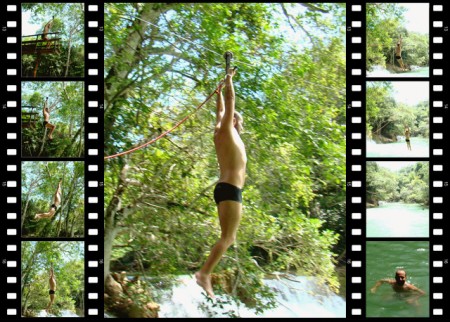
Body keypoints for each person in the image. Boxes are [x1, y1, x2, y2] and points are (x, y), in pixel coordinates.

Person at [195, 68, 246, 298]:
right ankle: (204, 274)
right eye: (233, 115)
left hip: (226, 189)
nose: (232, 116)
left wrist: (217, 93)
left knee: (228, 236)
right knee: (228, 237)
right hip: (229, 189)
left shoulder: (221, 132)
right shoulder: (226, 129)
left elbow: (221, 109)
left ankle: (205, 273)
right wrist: (228, 81)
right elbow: (230, 101)